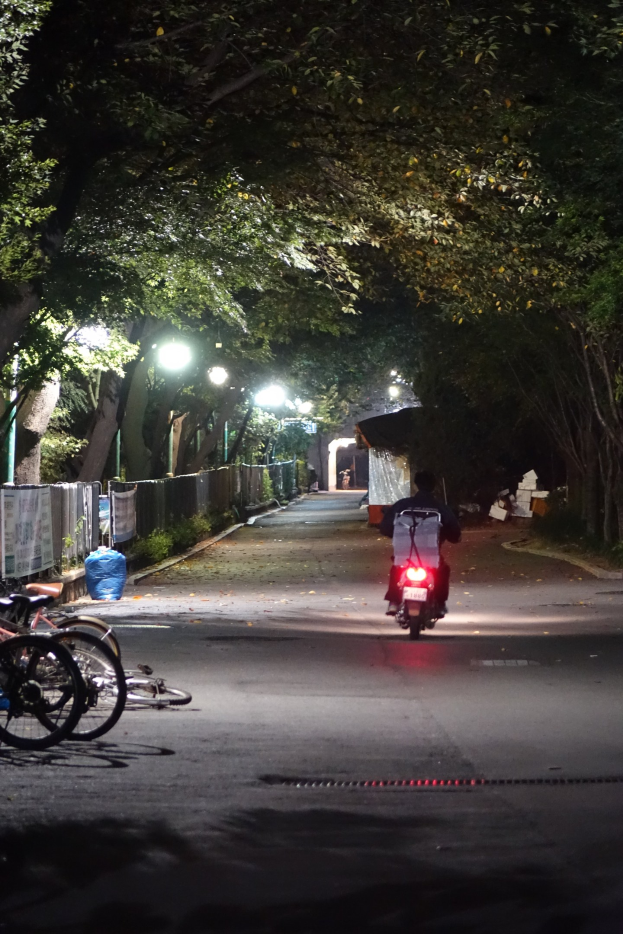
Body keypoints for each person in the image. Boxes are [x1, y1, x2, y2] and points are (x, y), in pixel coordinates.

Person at [379, 470, 461, 616]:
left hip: (404, 555)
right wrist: (453, 536)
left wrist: (394, 533)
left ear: (416, 484)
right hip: (431, 556)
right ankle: (440, 603)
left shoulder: (402, 505)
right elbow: (454, 530)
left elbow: (386, 527)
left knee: (396, 568)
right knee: (443, 570)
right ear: (434, 486)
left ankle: (394, 601)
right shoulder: (441, 507)